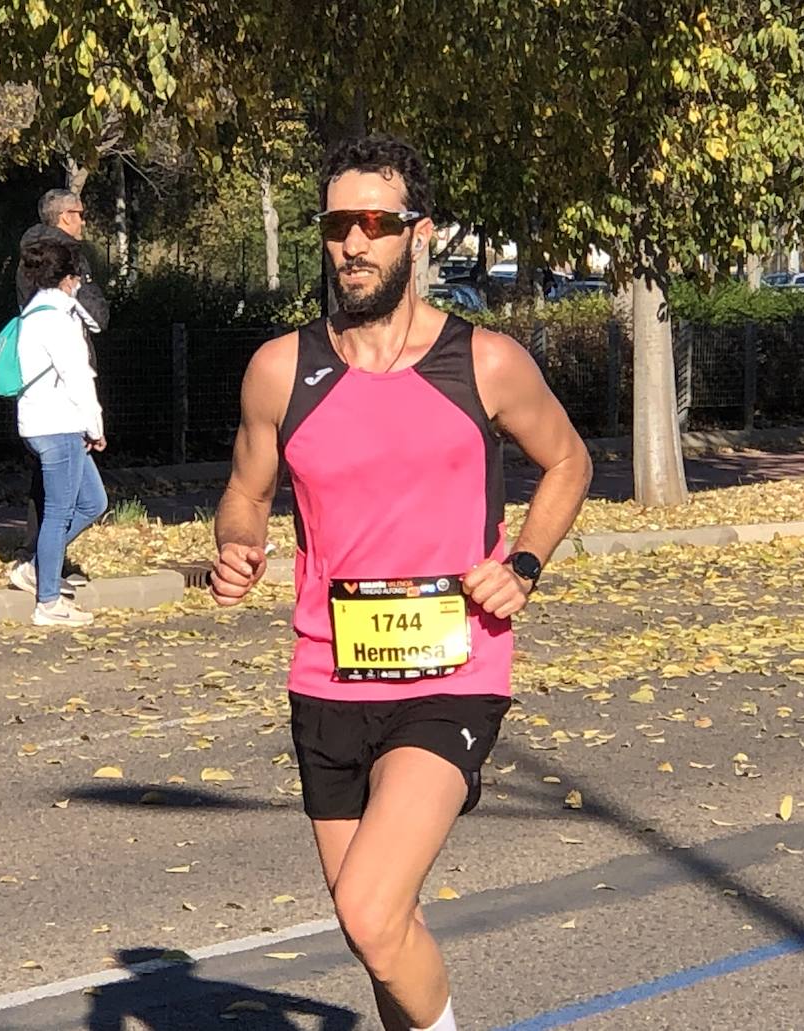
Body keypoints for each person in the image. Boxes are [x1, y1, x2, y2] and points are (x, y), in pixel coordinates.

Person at [208, 136, 591, 1031]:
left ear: (417, 235)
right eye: (339, 223)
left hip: (452, 669)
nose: (354, 243)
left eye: (376, 223)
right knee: (377, 932)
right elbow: (244, 491)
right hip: (326, 678)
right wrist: (237, 546)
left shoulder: (482, 362)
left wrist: (524, 564)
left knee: (372, 911)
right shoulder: (280, 369)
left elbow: (568, 459)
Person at [10, 189, 110, 598]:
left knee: (88, 502)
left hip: (51, 414)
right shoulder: (56, 311)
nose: (83, 221)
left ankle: (41, 566)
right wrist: (94, 424)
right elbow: (76, 371)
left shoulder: (38, 300)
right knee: (58, 508)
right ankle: (44, 589)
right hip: (59, 416)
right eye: (78, 214)